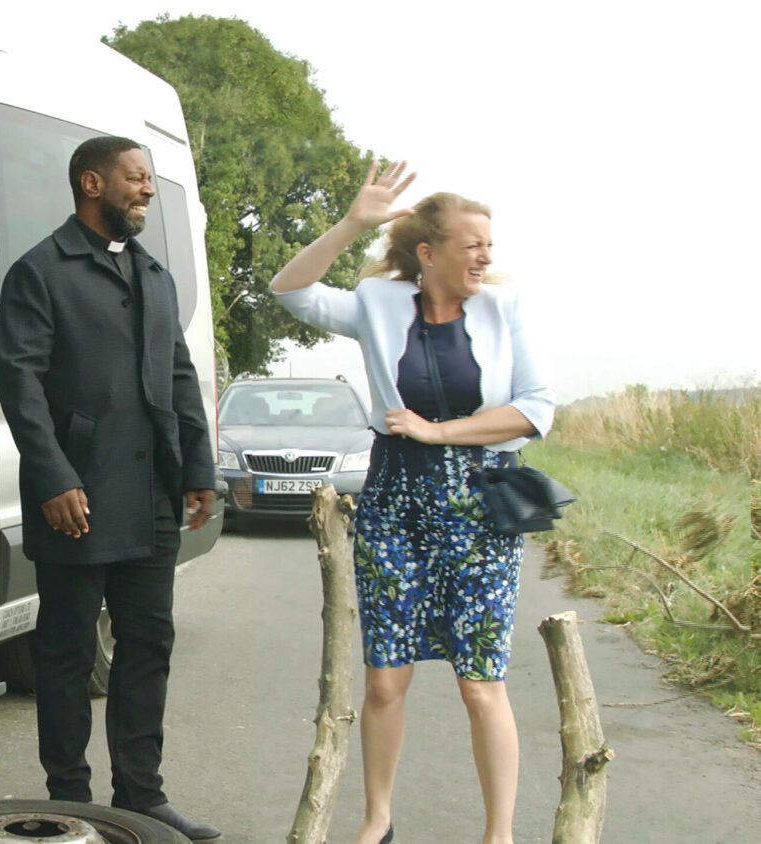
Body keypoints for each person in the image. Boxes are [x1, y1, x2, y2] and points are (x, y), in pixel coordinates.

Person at [270, 161, 554, 844]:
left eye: (490, 244)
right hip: (394, 502)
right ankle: (377, 820)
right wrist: (352, 224)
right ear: (428, 253)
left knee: (481, 681)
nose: (486, 256)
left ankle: (499, 833)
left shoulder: (501, 308)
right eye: (472, 244)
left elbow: (536, 407)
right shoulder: (376, 301)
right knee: (385, 681)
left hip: (481, 508)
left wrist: (442, 431)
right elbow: (289, 290)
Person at [0, 136, 220, 842]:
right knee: (64, 655)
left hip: (151, 497)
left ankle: (141, 797)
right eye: (136, 178)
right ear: (92, 183)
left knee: (147, 644)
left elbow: (179, 375)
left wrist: (199, 470)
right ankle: (70, 801)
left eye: (149, 179)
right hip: (77, 500)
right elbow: (19, 382)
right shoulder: (41, 271)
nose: (148, 190)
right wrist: (54, 475)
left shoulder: (155, 275)